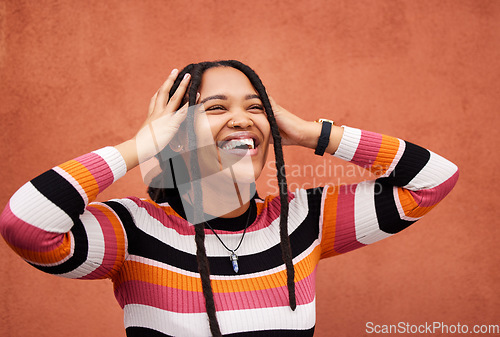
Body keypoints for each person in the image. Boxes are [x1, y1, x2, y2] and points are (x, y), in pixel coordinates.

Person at [0, 60, 459, 337]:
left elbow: (435, 180)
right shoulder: (132, 230)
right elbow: (26, 226)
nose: (241, 119)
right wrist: (141, 147)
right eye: (215, 108)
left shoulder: (304, 220)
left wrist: (309, 132)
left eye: (255, 107)